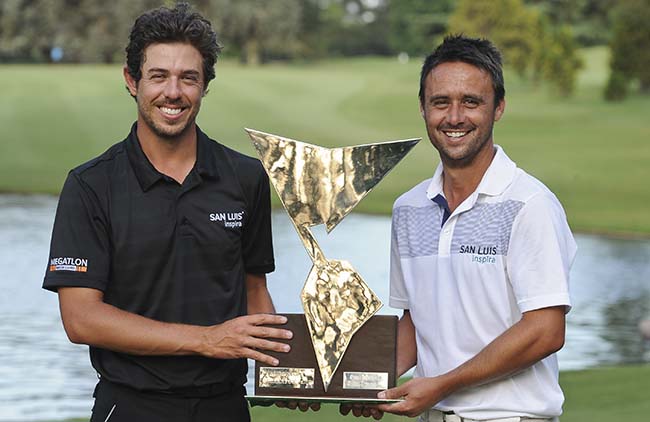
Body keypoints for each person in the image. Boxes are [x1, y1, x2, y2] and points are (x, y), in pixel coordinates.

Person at [42, 3, 293, 421]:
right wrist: (206, 340)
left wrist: (288, 371)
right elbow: (81, 319)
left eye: (188, 78)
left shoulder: (245, 177)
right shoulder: (90, 186)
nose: (173, 93)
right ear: (132, 81)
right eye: (158, 76)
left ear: (205, 85)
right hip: (131, 405)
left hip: (225, 407)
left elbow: (253, 290)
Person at [345, 35, 577, 421]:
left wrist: (443, 383)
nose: (454, 117)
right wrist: (358, 382)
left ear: (498, 107)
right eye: (441, 102)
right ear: (422, 108)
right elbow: (417, 323)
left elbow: (546, 330)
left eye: (471, 102)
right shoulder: (409, 209)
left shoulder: (529, 204)